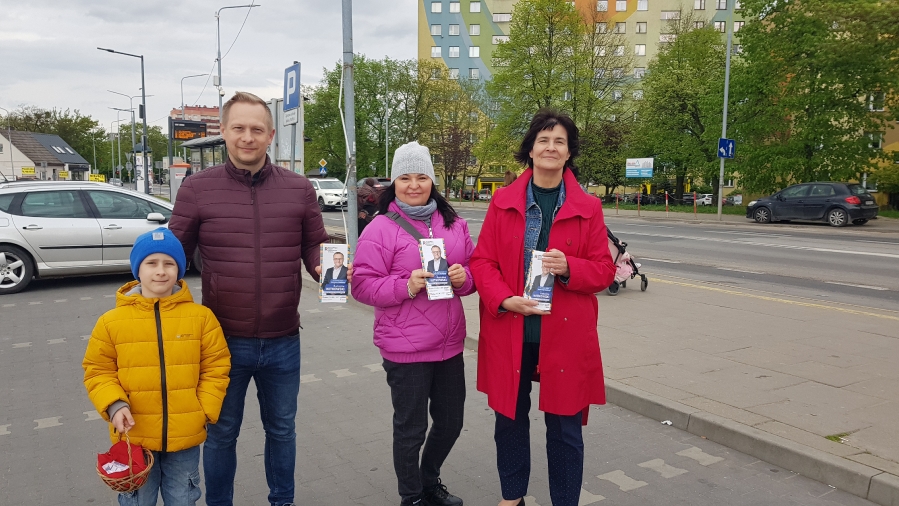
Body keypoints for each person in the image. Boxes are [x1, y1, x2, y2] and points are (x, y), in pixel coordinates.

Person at [169, 91, 330, 506]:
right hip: (221, 341)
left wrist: (325, 269)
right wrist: (154, 297)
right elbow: (174, 256)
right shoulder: (197, 189)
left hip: (283, 338)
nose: (247, 137)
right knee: (221, 433)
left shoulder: (299, 188)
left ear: (270, 135)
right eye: (238, 128)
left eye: (257, 129)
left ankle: (283, 502)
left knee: (282, 430)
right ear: (223, 131)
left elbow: (315, 244)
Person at [470, 109, 616, 506]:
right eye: (544, 140)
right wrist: (504, 299)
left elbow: (605, 270)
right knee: (509, 420)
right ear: (531, 150)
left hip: (565, 333)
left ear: (569, 153)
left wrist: (570, 268)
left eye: (560, 141)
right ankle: (512, 496)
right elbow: (482, 262)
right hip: (512, 329)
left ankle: (564, 500)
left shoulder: (589, 207)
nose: (551, 147)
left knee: (565, 428)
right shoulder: (502, 202)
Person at [352, 141, 476, 506]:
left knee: (451, 422)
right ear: (394, 182)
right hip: (404, 347)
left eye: (421, 177)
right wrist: (405, 286)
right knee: (411, 430)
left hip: (449, 343)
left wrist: (463, 279)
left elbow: (475, 272)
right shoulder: (379, 228)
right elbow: (361, 285)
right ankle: (412, 497)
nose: (414, 185)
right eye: (405, 177)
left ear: (432, 181)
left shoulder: (454, 223)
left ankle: (428, 481)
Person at [83, 227, 231, 506]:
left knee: (183, 499)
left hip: (185, 436)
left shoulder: (201, 318)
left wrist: (204, 409)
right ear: (138, 270)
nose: (161, 271)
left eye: (169, 264)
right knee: (138, 501)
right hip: (135, 436)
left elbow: (216, 365)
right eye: (151, 263)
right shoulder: (111, 322)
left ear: (180, 269)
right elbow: (98, 370)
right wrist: (114, 405)